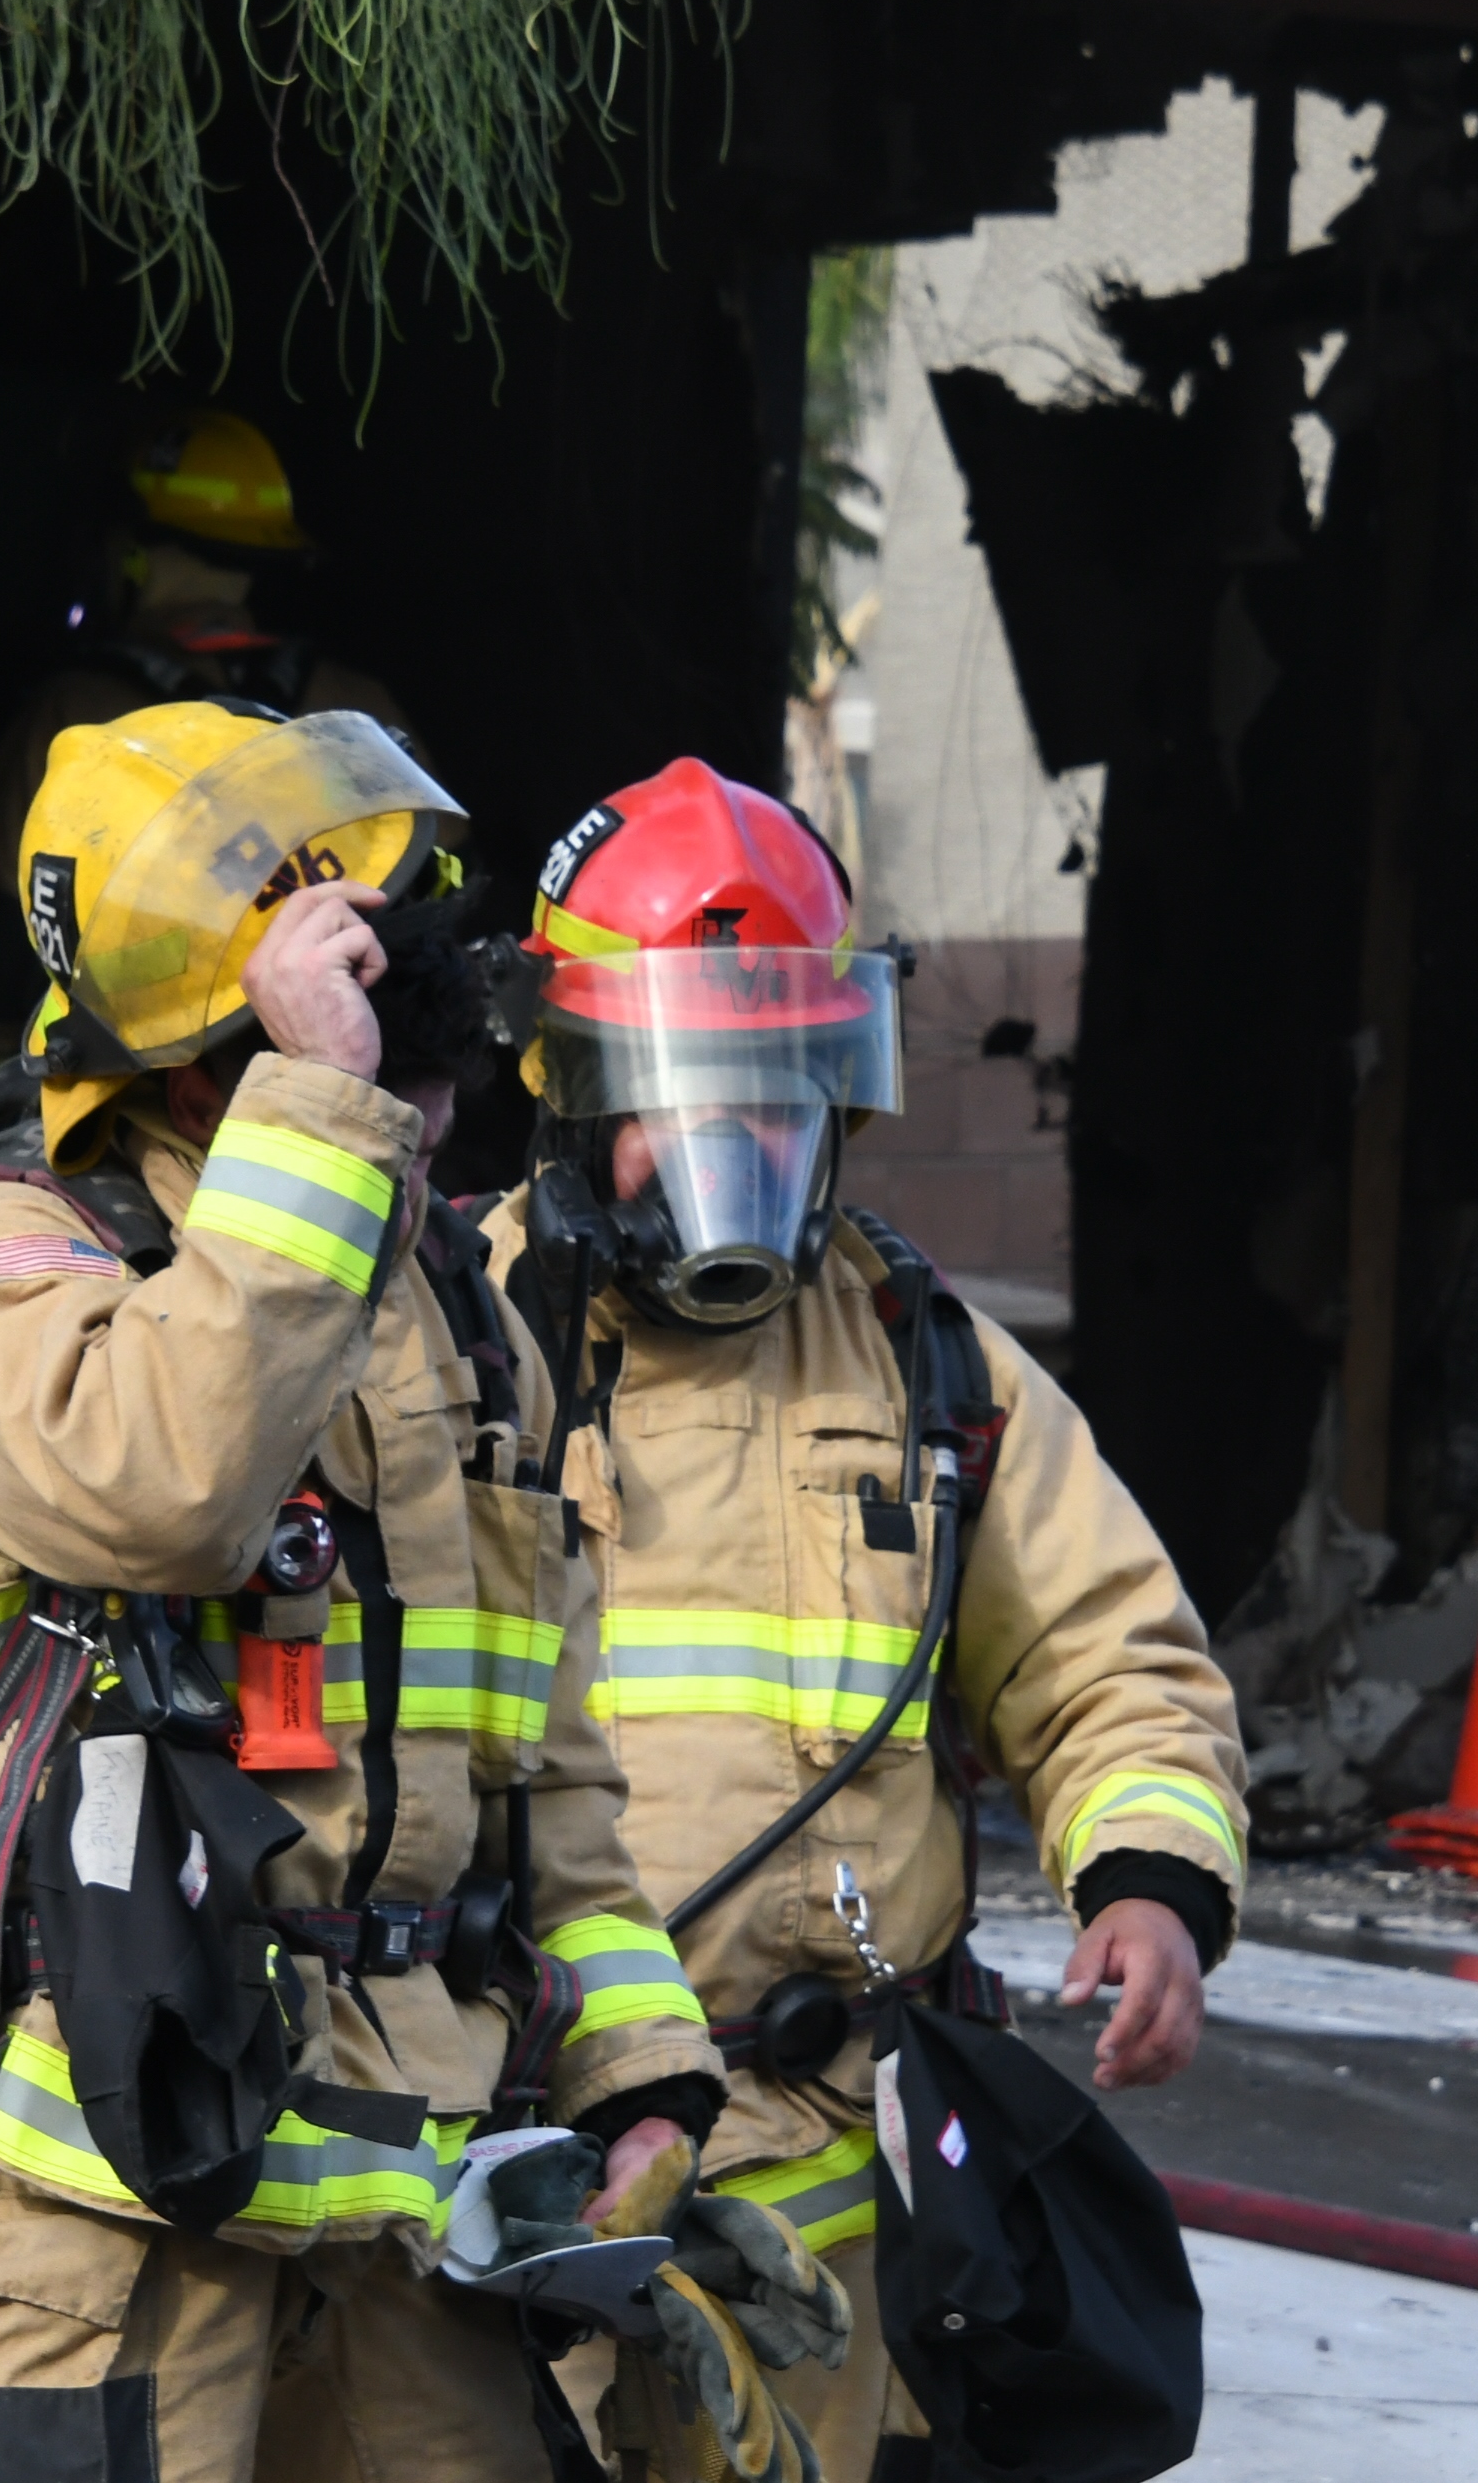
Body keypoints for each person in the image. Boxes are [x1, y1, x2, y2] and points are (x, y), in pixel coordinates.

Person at [0, 699, 729, 2482]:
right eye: (367, 1073)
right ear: (200, 1081)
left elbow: (543, 1773)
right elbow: (164, 1480)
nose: (418, 1128)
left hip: (400, 2249)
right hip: (82, 2237)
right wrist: (322, 1106)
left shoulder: (455, 1323)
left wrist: (641, 2076)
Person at [482, 758, 1248, 2483]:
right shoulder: (450, 1343)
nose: (727, 1148)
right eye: (676, 1096)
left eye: (776, 1096)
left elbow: (1109, 1654)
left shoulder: (929, 1368)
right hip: (514, 2146)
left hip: (821, 2194)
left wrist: (1148, 1882)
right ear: (570, 1088)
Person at [0, 410, 426, 1094]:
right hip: (365, 1076)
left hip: (159, 1092)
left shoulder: (74, 717)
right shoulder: (357, 707)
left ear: (128, 550)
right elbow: (442, 912)